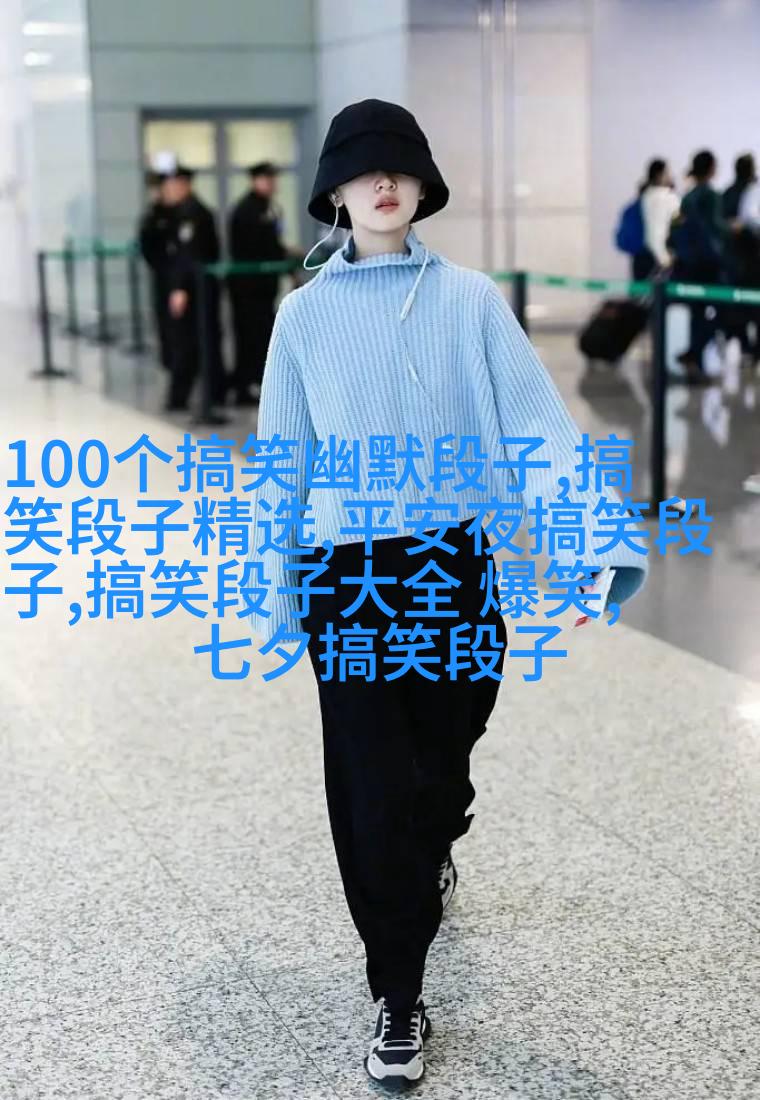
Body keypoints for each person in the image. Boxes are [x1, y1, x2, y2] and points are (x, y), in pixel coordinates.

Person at [245, 99, 649, 1088]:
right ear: (336, 194)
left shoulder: (469, 301)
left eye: (400, 169)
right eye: (363, 171)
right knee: (372, 788)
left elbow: (536, 427)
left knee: (443, 767)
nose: (383, 184)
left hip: (450, 569)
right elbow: (282, 461)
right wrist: (275, 586)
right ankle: (397, 990)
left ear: (422, 187)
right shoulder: (303, 318)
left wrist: (592, 546)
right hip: (348, 578)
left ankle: (434, 844)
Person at [227, 161, 292, 407]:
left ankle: (258, 383)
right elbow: (254, 247)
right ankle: (245, 385)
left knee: (264, 334)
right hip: (248, 288)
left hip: (265, 287)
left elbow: (273, 242)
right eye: (267, 179)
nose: (272, 184)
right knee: (250, 337)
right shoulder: (247, 210)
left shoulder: (271, 208)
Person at [163, 165, 226, 413]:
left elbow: (189, 255)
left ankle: (196, 395)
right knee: (199, 340)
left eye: (173, 185)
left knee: (194, 341)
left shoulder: (193, 213)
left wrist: (180, 288)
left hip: (196, 290)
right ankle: (211, 393)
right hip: (196, 288)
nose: (170, 190)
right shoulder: (182, 212)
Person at [669, 150, 732, 385]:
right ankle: (693, 353)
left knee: (697, 314)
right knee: (724, 310)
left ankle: (695, 364)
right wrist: (732, 228)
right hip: (710, 263)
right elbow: (716, 227)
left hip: (690, 264)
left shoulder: (688, 196)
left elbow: (677, 227)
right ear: (711, 168)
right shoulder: (712, 196)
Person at [138, 170, 175, 370]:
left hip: (180, 276)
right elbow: (147, 248)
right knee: (164, 319)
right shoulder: (152, 217)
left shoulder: (178, 212)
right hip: (162, 276)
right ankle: (168, 358)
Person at [634, 158, 680, 280]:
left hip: (642, 254)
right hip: (664, 255)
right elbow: (679, 223)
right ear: (660, 175)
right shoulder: (669, 197)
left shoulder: (644, 196)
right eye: (668, 172)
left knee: (641, 290)